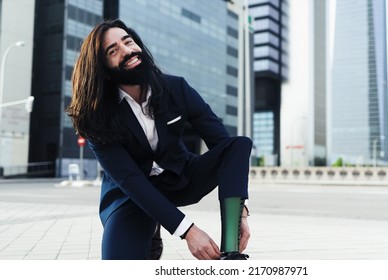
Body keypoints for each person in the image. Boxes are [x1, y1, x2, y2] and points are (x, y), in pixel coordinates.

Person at [66, 19, 252, 260]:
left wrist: (240, 214)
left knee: (238, 145)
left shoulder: (176, 88)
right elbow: (131, 181)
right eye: (113, 51)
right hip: (130, 196)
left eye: (128, 41)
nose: (127, 51)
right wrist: (188, 231)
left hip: (180, 178)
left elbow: (224, 147)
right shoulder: (96, 116)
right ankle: (150, 227)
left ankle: (231, 248)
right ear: (103, 68)